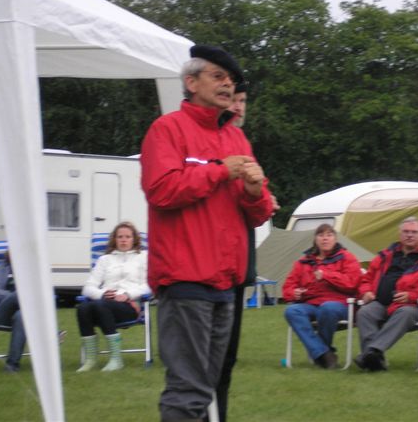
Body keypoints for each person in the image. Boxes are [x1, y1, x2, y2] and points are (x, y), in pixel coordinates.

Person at [140, 44, 274, 421]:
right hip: (185, 278)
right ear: (191, 82)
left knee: (208, 387)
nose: (227, 84)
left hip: (225, 283)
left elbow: (259, 213)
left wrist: (255, 192)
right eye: (218, 76)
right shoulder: (167, 129)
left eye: (230, 79)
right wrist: (219, 171)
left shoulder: (236, 139)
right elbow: (161, 190)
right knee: (188, 390)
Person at [212, 81, 280, 422]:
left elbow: (256, 207)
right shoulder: (211, 145)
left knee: (227, 359)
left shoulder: (243, 145)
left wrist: (261, 198)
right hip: (207, 269)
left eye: (243, 100)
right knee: (203, 363)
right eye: (233, 100)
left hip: (237, 269)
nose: (239, 107)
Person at [355, 216, 418, 371]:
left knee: (405, 313)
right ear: (399, 234)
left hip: (412, 307)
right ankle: (374, 360)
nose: (409, 235)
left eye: (414, 232)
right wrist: (366, 292)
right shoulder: (385, 255)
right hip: (381, 303)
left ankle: (372, 352)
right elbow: (366, 279)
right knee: (365, 312)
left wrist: (412, 295)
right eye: (406, 231)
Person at [282, 224, 363, 369]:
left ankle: (321, 354)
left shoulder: (346, 257)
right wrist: (294, 292)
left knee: (327, 308)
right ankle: (324, 354)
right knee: (292, 311)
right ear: (315, 239)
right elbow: (287, 287)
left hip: (340, 304)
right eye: (321, 235)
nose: (325, 239)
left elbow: (352, 283)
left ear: (335, 239)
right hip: (311, 304)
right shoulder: (303, 262)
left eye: (329, 235)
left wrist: (327, 275)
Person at [76, 221, 150, 372]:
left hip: (129, 306)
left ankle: (116, 359)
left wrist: (127, 294)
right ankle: (90, 359)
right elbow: (87, 288)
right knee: (82, 308)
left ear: (134, 239)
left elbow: (149, 285)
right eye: (120, 237)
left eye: (127, 237)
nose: (123, 240)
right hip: (104, 303)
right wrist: (102, 294)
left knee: (99, 305)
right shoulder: (105, 260)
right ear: (114, 239)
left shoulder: (143, 257)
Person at [0, 251, 25, 372]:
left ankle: (12, 364)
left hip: (23, 314)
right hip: (2, 312)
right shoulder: (3, 268)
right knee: (19, 294)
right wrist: (11, 296)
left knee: (21, 317)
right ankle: (53, 332)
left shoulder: (28, 270)